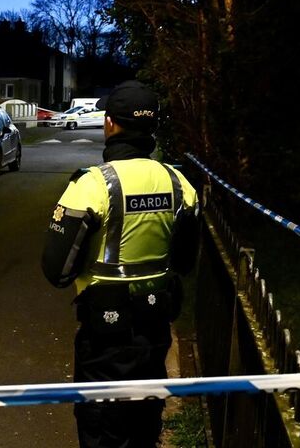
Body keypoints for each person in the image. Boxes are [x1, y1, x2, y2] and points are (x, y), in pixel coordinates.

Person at [41, 80, 199, 448]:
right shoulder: (180, 184)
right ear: (153, 126)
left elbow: (57, 270)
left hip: (104, 340)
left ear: (110, 124)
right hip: (155, 334)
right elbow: (184, 262)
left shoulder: (92, 185)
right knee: (145, 428)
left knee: (102, 430)